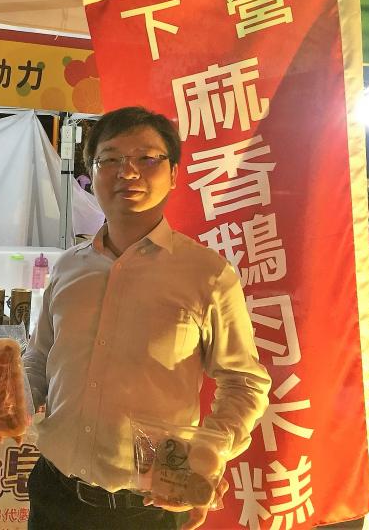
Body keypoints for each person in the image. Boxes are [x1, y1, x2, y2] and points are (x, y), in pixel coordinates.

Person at [23, 106, 271, 530]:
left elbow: (244, 382)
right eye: (110, 159)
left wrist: (210, 450)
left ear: (173, 174)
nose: (128, 172)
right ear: (91, 173)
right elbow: (39, 359)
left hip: (147, 507)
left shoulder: (207, 275)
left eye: (146, 158)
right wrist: (11, 405)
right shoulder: (67, 268)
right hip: (53, 491)